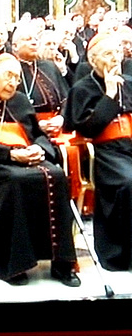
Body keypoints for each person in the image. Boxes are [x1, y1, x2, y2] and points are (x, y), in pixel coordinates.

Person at [0, 52, 80, 287]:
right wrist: (9, 154)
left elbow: (38, 136)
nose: (13, 83)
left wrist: (40, 151)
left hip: (28, 159)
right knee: (16, 180)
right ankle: (16, 265)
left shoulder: (20, 100)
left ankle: (62, 263)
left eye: (17, 78)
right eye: (8, 76)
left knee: (57, 175)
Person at [63, 33, 132, 271]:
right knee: (128, 183)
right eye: (107, 54)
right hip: (106, 151)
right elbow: (88, 128)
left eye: (117, 53)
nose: (114, 59)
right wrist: (109, 96)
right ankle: (121, 254)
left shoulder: (130, 82)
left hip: (129, 146)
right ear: (93, 60)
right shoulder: (82, 89)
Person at [11, 25, 69, 139]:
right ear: (15, 46)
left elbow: (66, 98)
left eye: (36, 39)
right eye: (28, 39)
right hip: (26, 132)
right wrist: (36, 124)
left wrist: (61, 118)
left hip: (57, 127)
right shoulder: (10, 69)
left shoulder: (49, 66)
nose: (34, 42)